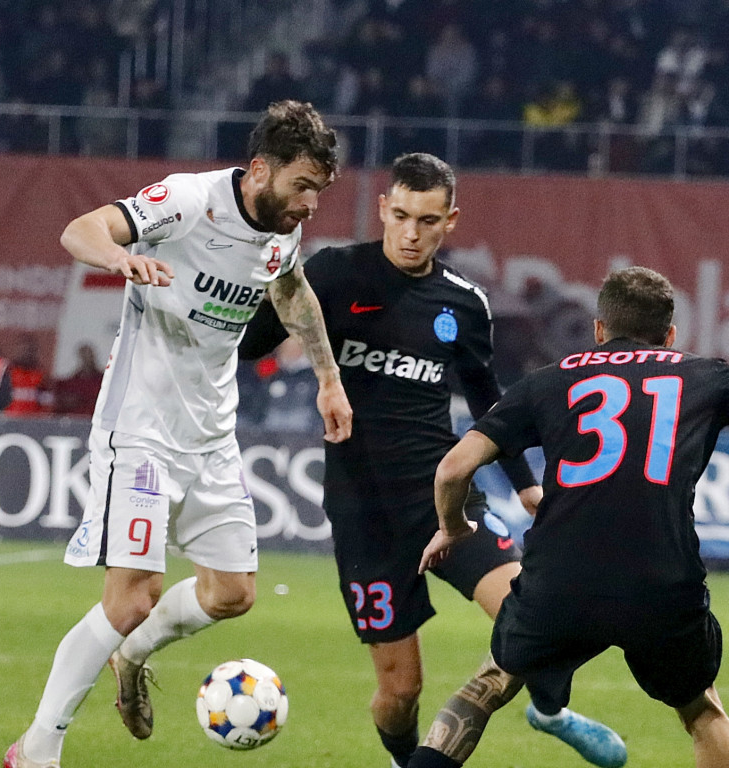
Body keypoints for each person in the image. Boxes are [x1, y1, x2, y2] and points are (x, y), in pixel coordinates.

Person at [239, 152, 621, 768]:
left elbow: (486, 398)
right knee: (399, 694)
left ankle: (547, 711)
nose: (412, 233)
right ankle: (404, 758)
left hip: (446, 500)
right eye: (403, 216)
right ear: (385, 210)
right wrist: (269, 280)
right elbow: (254, 342)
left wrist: (523, 484)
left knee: (537, 614)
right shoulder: (335, 274)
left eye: (429, 220)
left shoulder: (463, 303)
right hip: (365, 514)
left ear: (451, 222)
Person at [3, 99, 352, 768]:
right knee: (133, 595)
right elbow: (82, 229)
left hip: (211, 435)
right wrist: (119, 257)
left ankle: (132, 654)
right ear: (260, 169)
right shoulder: (191, 202)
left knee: (233, 593)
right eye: (303, 186)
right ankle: (38, 749)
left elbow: (291, 290)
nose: (311, 203)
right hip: (140, 429)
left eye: (320, 189)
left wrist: (328, 378)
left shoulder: (281, 228)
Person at [412, 266, 729, 768]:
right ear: (670, 336)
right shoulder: (708, 378)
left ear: (599, 329)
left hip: (560, 580)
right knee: (701, 707)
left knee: (487, 687)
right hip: (662, 582)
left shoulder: (548, 381)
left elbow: (453, 468)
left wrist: (453, 527)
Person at [52, 342, 103, 417]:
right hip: (77, 421)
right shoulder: (70, 384)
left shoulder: (102, 381)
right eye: (84, 356)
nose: (87, 359)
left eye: (89, 356)